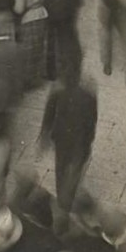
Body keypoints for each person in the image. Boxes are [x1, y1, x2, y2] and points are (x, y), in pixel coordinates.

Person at [39, 67, 98, 229]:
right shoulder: (89, 95)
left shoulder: (58, 90)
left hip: (62, 139)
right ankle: (68, 202)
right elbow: (92, 121)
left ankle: (62, 203)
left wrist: (45, 135)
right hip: (80, 142)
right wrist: (89, 141)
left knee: (61, 168)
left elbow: (49, 114)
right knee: (74, 171)